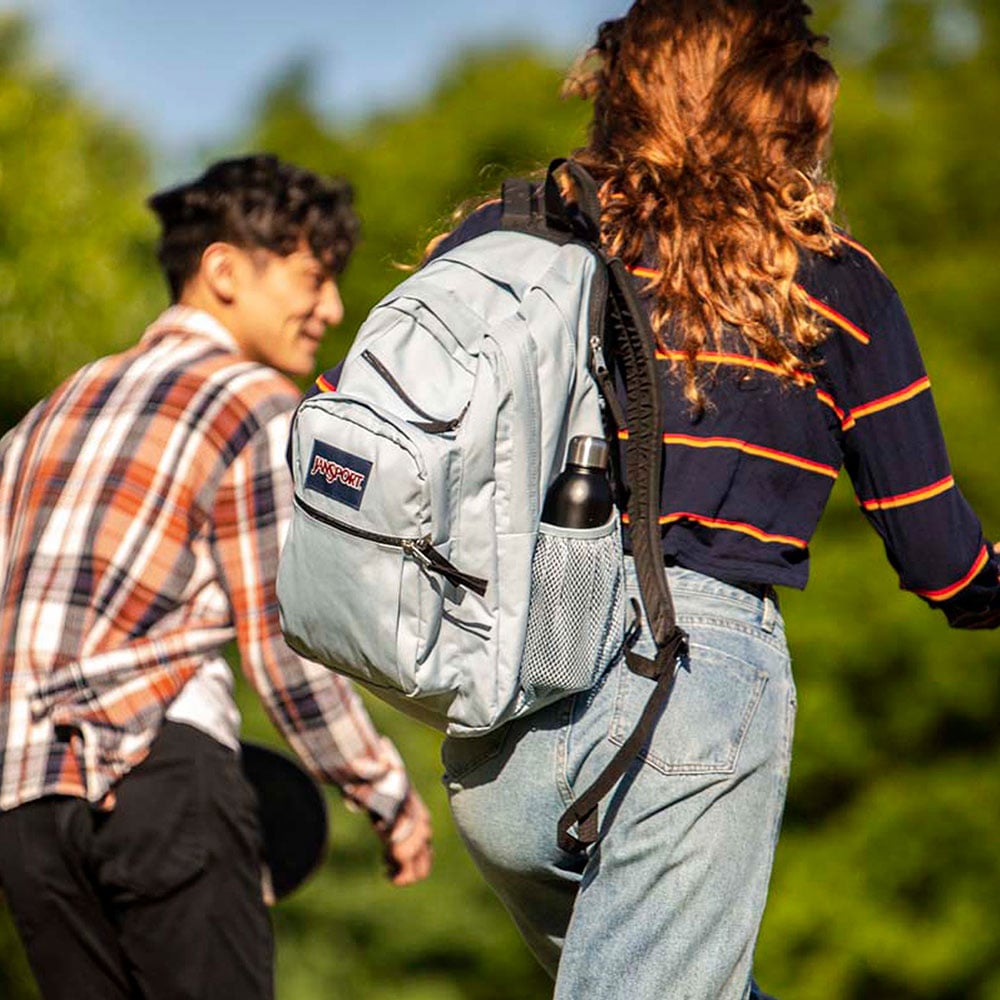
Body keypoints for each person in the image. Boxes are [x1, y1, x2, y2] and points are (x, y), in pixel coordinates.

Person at [382, 3, 998, 998]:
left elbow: (376, 427)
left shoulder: (514, 234)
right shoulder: (826, 282)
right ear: (782, 107)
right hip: (689, 691)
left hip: (498, 707)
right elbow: (942, 556)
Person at [0, 154, 433, 1000]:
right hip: (158, 779)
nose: (333, 308)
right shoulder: (253, 404)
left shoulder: (45, 415)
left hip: (24, 815)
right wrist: (381, 788)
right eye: (314, 277)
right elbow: (284, 644)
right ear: (226, 270)